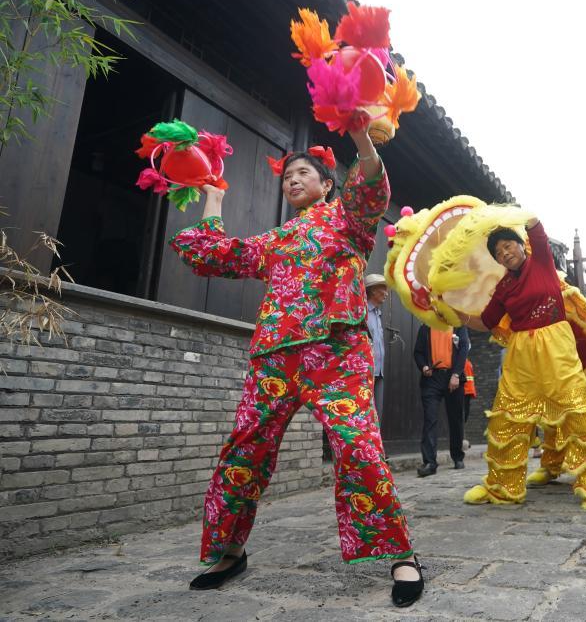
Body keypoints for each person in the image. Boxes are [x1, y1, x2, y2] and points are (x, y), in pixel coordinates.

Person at [170, 124, 424, 607]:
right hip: (275, 358)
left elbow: (372, 186)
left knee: (358, 448)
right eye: (287, 176)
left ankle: (399, 553)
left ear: (328, 184)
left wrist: (363, 140)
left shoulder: (349, 219)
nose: (291, 180)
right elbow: (213, 254)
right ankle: (229, 551)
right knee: (244, 450)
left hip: (336, 352)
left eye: (302, 172)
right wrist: (215, 198)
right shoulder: (277, 239)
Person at [457, 218, 586, 513]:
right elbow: (488, 322)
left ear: (521, 245)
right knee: (507, 416)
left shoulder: (540, 261)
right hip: (521, 353)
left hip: (556, 347)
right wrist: (456, 314)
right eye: (499, 253)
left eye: (508, 246)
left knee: (578, 412)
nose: (505, 253)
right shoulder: (503, 286)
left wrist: (504, 216)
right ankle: (502, 486)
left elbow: (535, 227)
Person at [413, 324, 470, 476]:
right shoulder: (426, 327)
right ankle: (429, 462)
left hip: (453, 376)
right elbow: (418, 352)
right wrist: (424, 366)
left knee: (456, 418)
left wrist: (456, 374)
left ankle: (457, 456)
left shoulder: (458, 326)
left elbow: (463, 349)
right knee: (430, 418)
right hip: (432, 378)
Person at [365, 273, 389, 423]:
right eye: (383, 289)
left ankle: (376, 446)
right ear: (373, 291)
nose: (386, 293)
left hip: (379, 371)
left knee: (377, 414)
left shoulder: (378, 314)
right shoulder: (364, 313)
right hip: (367, 372)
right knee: (367, 413)